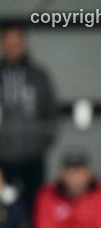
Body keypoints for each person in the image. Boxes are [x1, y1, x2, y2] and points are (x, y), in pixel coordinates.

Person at [0, 25, 59, 208]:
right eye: (8, 43)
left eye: (16, 43)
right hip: (2, 159)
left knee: (35, 208)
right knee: (4, 212)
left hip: (33, 158)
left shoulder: (39, 76)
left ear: (24, 44)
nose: (13, 48)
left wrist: (43, 145)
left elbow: (51, 113)